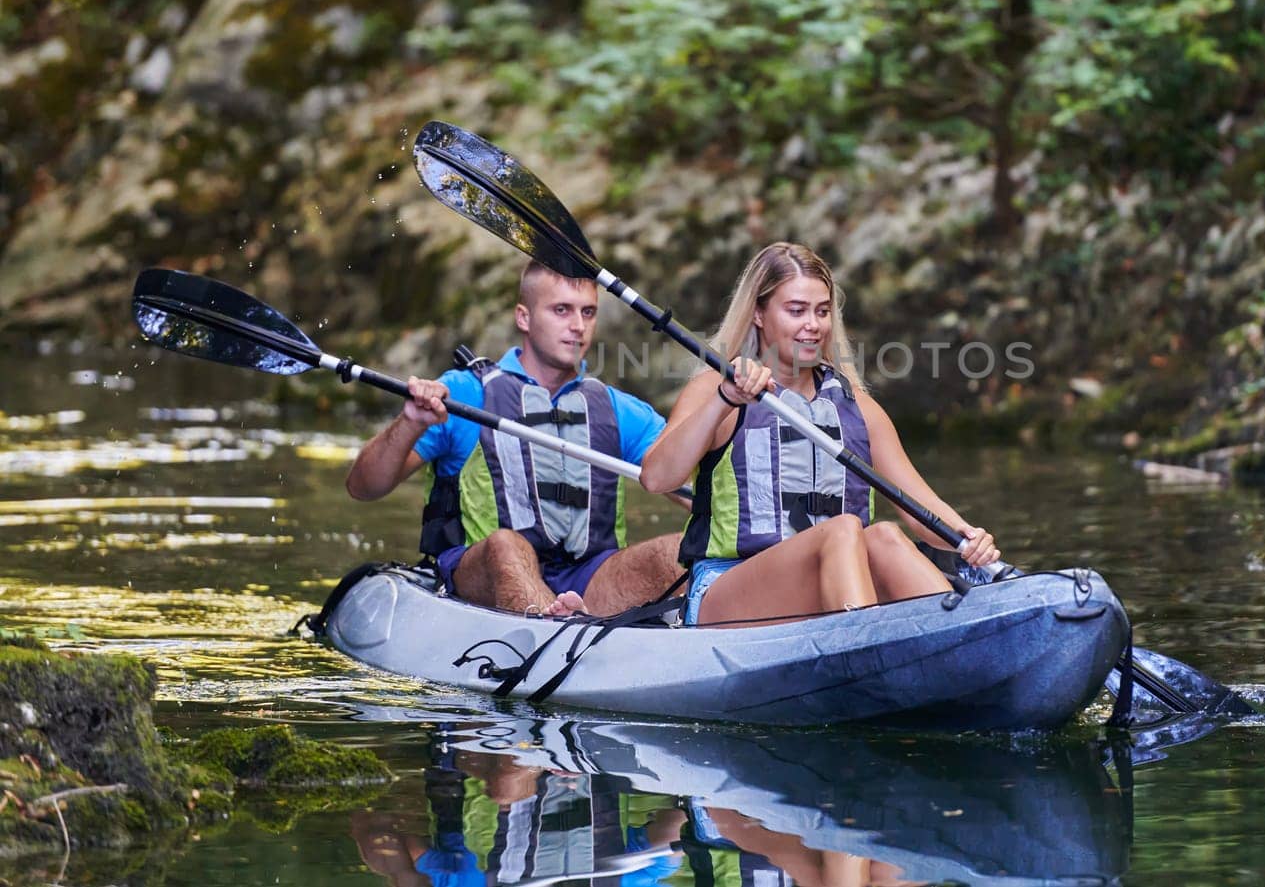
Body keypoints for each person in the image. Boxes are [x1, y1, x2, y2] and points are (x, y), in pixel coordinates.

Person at [639, 242, 1000, 627]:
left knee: (884, 537)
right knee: (844, 531)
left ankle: (962, 636)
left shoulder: (857, 408)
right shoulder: (717, 388)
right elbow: (656, 478)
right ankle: (867, 648)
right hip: (728, 589)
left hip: (830, 589)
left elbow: (921, 509)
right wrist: (723, 400)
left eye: (822, 311)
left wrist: (968, 538)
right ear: (759, 314)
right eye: (796, 310)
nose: (813, 324)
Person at [346, 259, 684, 616]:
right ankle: (550, 630)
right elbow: (363, 487)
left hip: (589, 577)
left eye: (588, 312)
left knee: (674, 552)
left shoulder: (621, 411)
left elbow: (699, 490)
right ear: (523, 317)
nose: (578, 326)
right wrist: (410, 422)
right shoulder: (464, 395)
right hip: (480, 574)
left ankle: (573, 624)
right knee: (507, 547)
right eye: (561, 310)